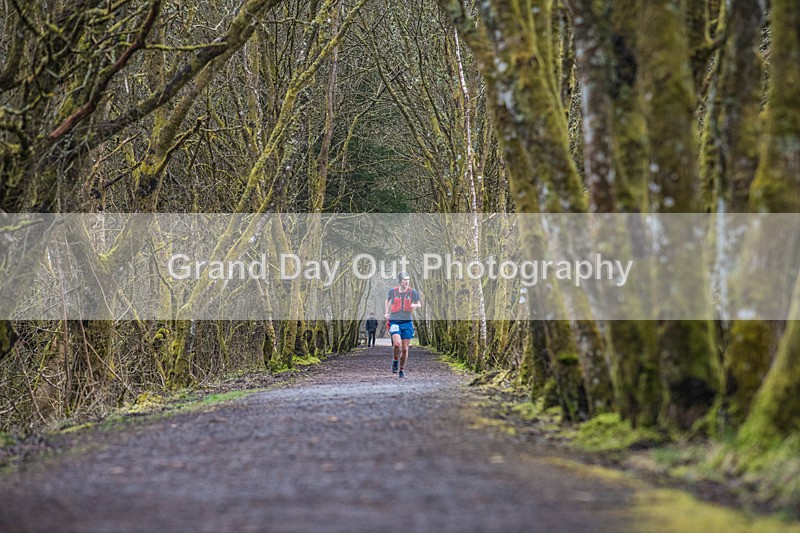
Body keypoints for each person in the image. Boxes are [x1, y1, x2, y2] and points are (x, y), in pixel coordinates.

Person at [385, 271, 421, 378]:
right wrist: (386, 312)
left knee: (405, 348)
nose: (407, 282)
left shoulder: (412, 292)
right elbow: (387, 300)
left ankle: (401, 370)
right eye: (405, 280)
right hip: (395, 321)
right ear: (400, 281)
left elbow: (419, 303)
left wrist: (415, 305)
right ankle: (395, 360)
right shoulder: (393, 291)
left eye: (408, 280)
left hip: (407, 322)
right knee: (397, 344)